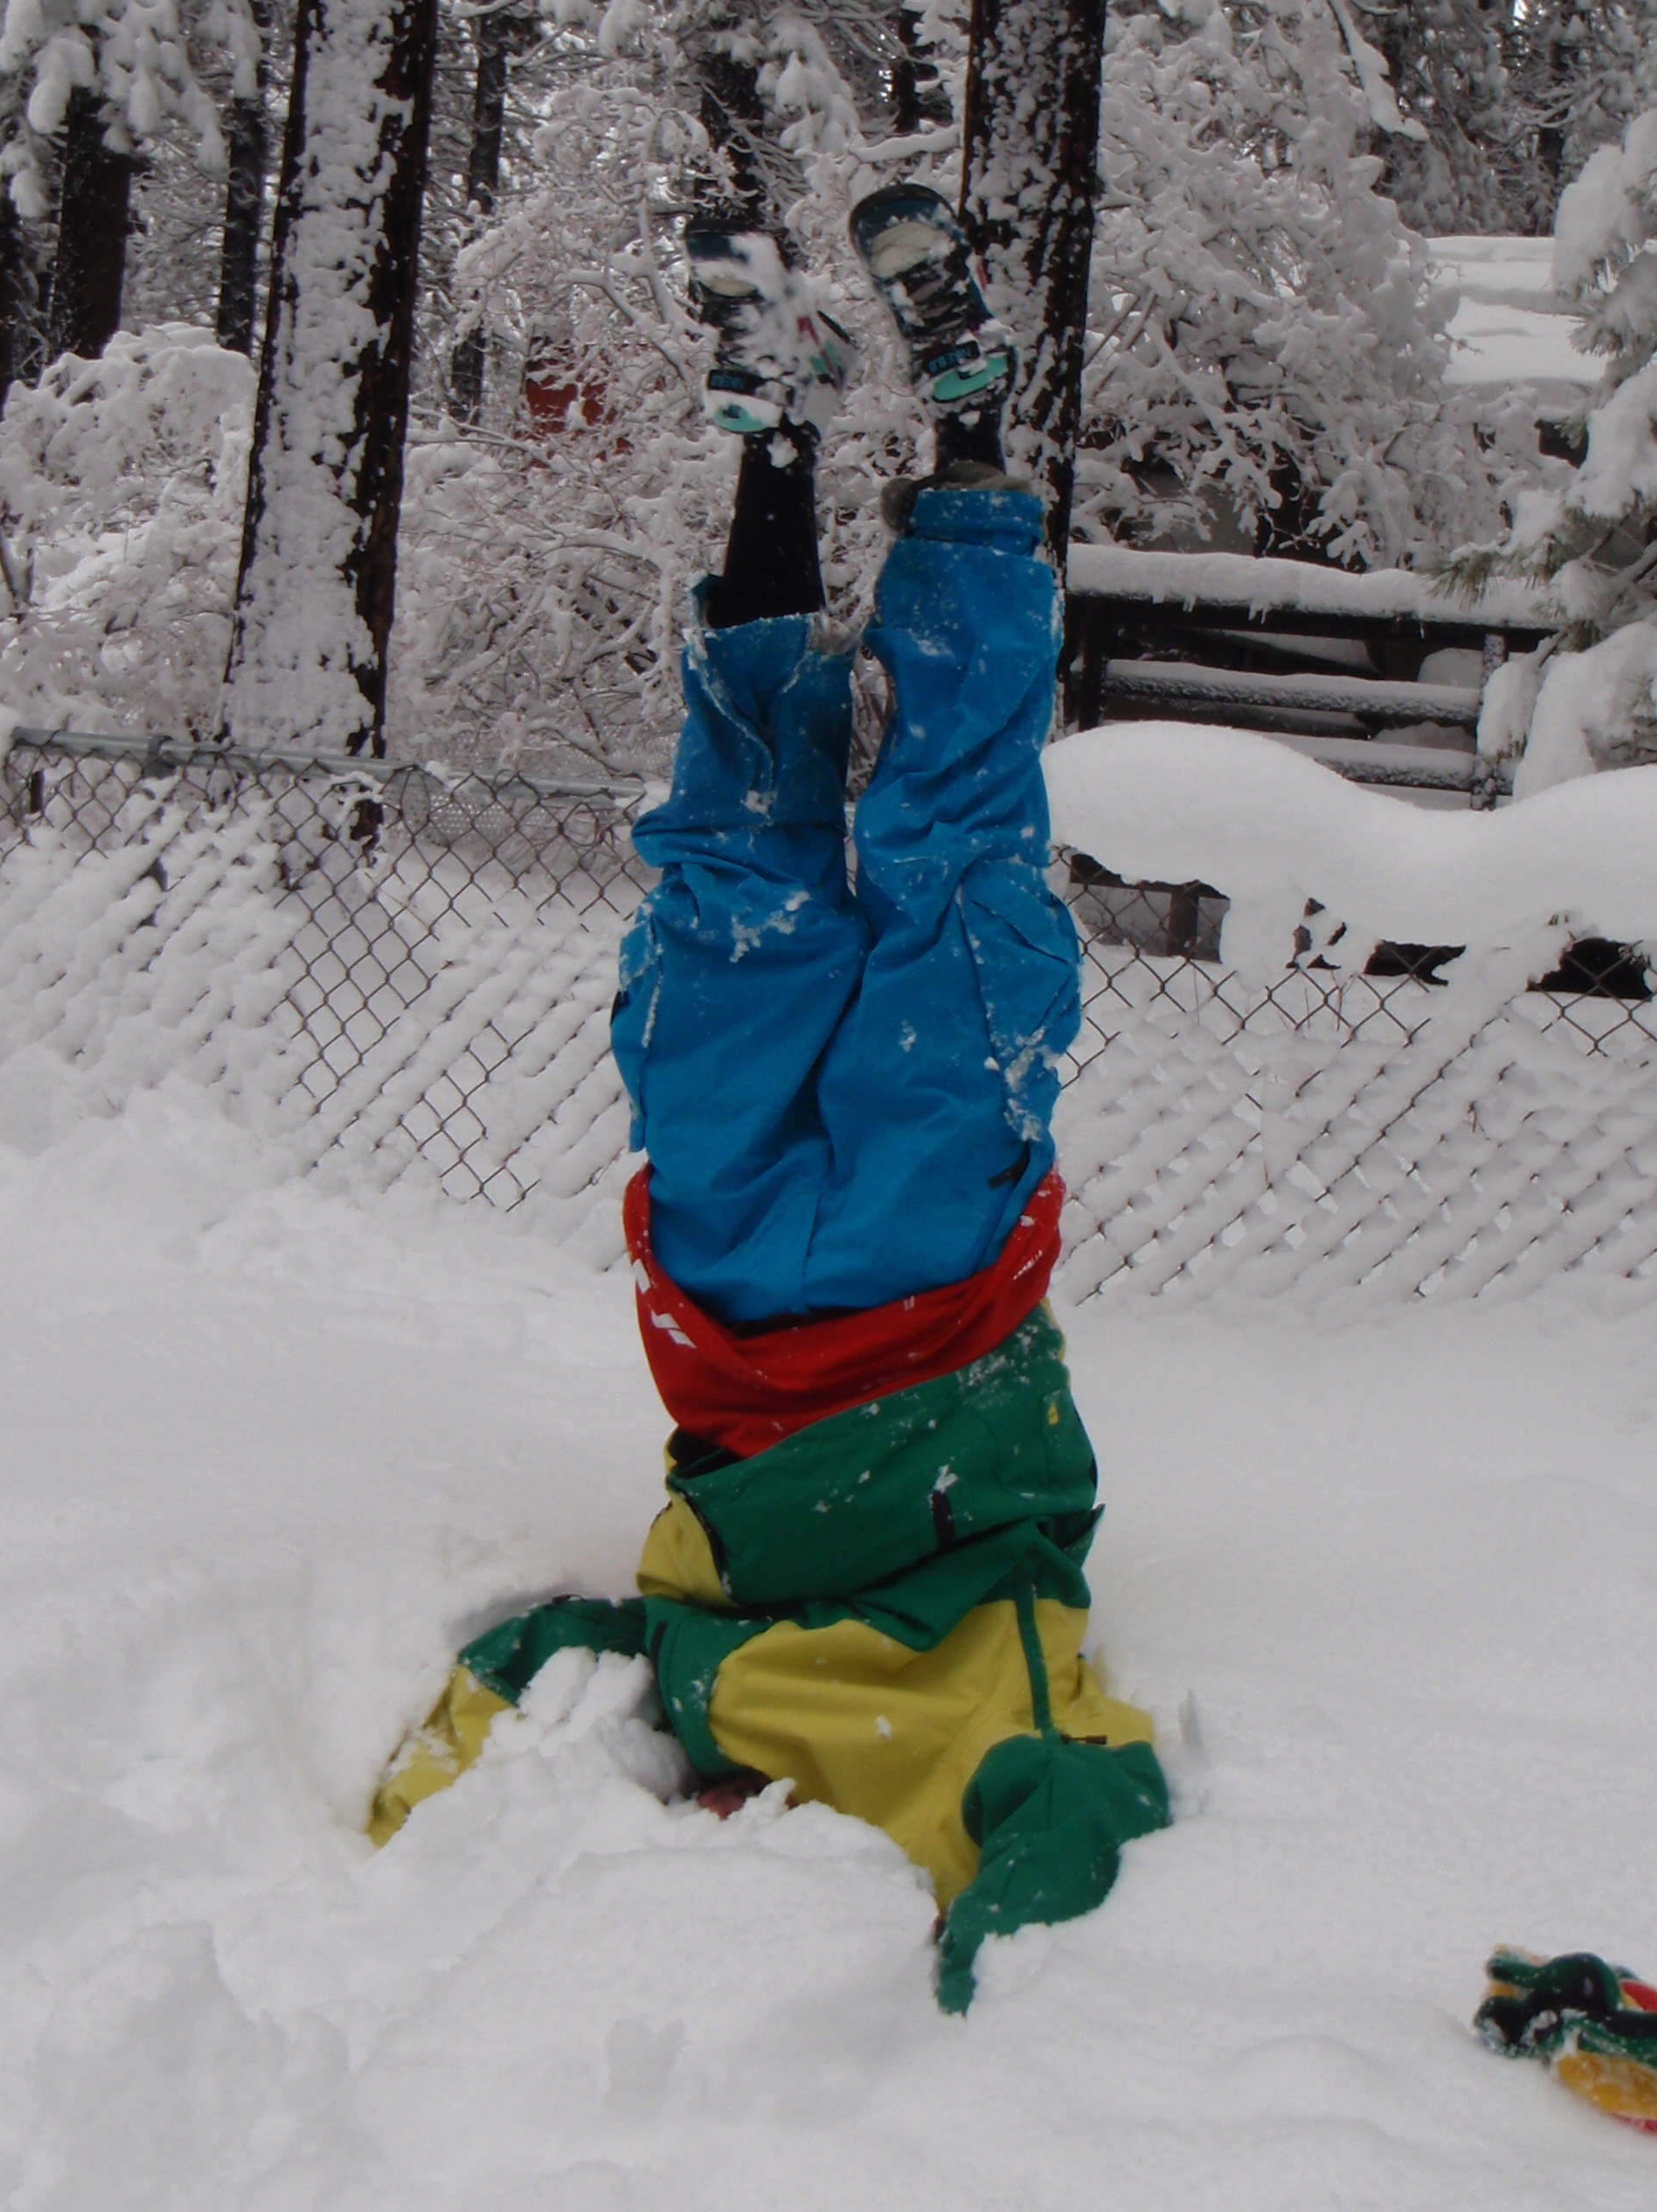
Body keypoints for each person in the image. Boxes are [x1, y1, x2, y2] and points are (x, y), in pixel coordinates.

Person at [373, 218, 1165, 2009]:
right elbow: (1075, 1821)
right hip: (933, 1290)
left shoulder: (699, 1681)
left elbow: (533, 1662)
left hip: (732, 1317)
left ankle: (781, 428)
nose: (734, 1824)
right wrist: (989, 1949)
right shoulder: (989, 1699)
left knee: (739, 893)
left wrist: (435, 1797)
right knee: (952, 861)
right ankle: (970, 439)